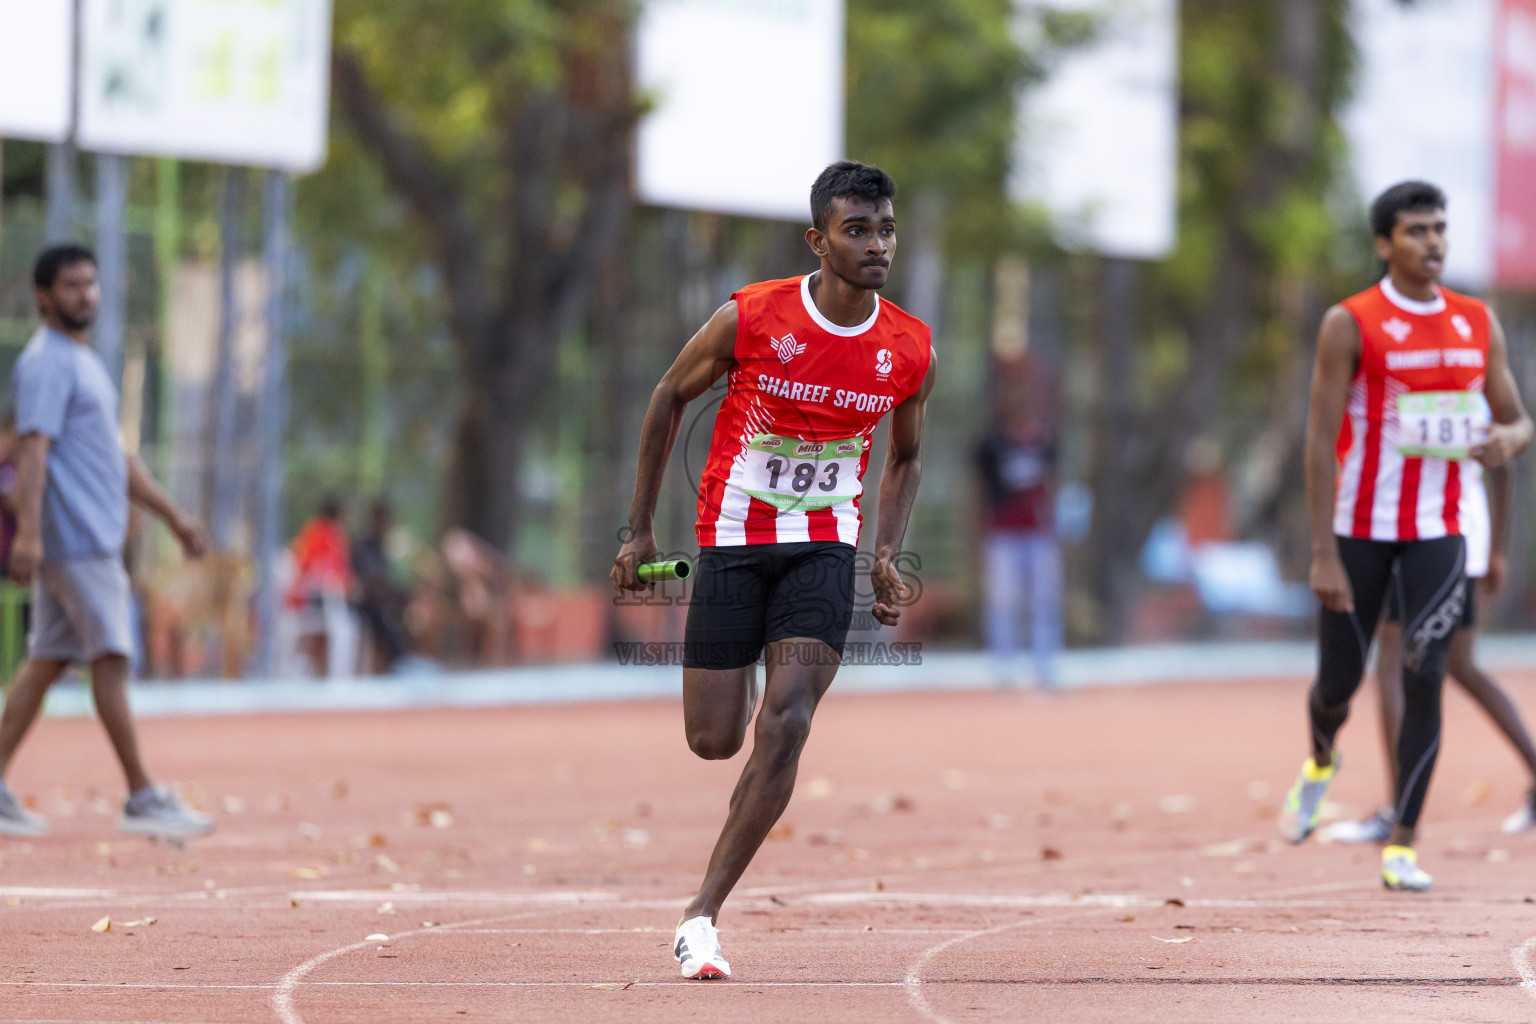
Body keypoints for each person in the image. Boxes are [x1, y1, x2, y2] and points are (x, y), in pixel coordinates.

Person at [611, 161, 935, 979]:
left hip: (824, 550)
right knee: (715, 739)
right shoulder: (753, 316)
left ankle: (702, 914)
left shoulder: (908, 347)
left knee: (788, 723)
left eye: (885, 228)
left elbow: (905, 460)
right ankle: (744, 683)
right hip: (733, 540)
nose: (876, 245)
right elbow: (667, 397)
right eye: (857, 230)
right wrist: (638, 531)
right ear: (817, 240)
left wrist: (885, 552)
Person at [1281, 182, 1532, 891]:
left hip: (1439, 529)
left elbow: (1517, 418)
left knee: (1426, 672)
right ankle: (1322, 759)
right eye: (1417, 231)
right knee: (1338, 683)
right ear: (1385, 244)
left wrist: (1507, 441)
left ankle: (1404, 840)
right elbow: (1317, 438)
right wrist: (1324, 551)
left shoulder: (1477, 321)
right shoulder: (1350, 323)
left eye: (1441, 229)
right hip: (1360, 528)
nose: (1434, 243)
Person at [0, 244, 214, 840]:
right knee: (112, 660)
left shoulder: (83, 361)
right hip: (78, 542)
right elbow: (31, 450)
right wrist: (31, 533)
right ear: (44, 295)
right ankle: (143, 796)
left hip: (86, 541)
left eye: (91, 284)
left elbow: (117, 460)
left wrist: (174, 515)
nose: (85, 295)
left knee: (44, 664)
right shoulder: (46, 363)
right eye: (71, 286)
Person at [1324, 460, 1536, 843]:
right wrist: (1497, 548)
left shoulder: (1455, 397)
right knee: (1461, 663)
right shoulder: (1468, 399)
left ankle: (1398, 810)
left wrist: (1499, 550)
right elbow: (1503, 460)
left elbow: (1503, 458)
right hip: (1447, 535)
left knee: (1392, 661)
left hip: (1430, 535)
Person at [975, 356, 1062, 687]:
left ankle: (1045, 664)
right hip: (1003, 533)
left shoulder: (1042, 438)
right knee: (1003, 601)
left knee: (1044, 599)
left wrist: (1055, 530)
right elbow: (978, 490)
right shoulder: (991, 443)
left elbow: (1052, 483)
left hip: (1037, 533)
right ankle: (1004, 666)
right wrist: (978, 534)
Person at [287, 497, 354, 677]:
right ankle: (323, 671)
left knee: (340, 626)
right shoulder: (321, 533)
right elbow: (314, 569)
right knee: (338, 626)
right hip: (311, 598)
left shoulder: (323, 532)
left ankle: (320, 669)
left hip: (321, 597)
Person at [353, 499, 409, 672]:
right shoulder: (365, 546)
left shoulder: (381, 546)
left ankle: (403, 660)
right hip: (366, 604)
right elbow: (370, 581)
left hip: (383, 601)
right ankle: (397, 661)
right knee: (384, 617)